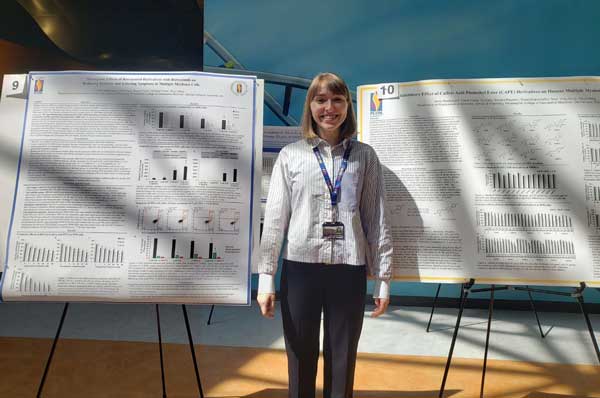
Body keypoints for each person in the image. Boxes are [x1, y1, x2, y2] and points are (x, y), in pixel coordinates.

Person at [257, 72, 393, 398]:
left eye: (337, 99)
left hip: (349, 269)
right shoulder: (291, 155)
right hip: (301, 269)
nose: (329, 108)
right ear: (311, 106)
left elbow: (376, 218)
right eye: (321, 100)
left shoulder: (364, 156)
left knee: (343, 358)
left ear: (347, 105)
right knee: (300, 356)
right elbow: (275, 219)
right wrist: (266, 277)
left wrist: (384, 278)